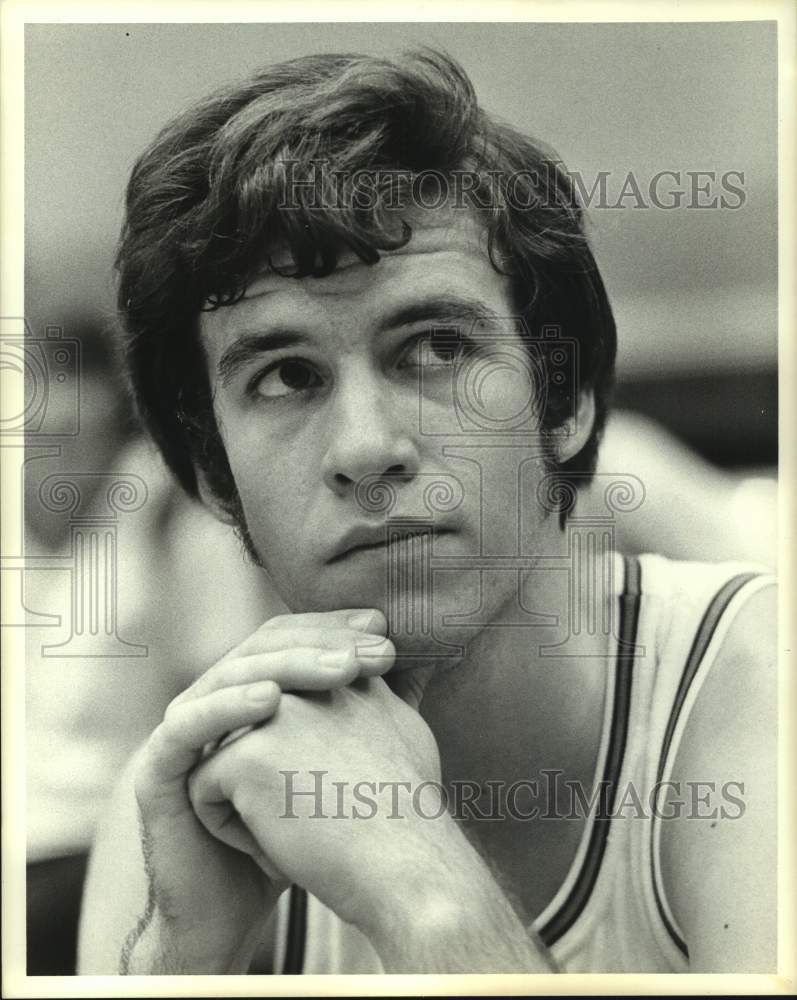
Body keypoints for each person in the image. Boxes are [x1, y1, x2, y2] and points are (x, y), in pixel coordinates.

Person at [77, 50, 777, 975]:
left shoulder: (758, 679)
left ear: (563, 406)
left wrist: (425, 892)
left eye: (437, 348)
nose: (366, 449)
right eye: (286, 377)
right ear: (213, 476)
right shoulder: (180, 806)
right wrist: (184, 959)